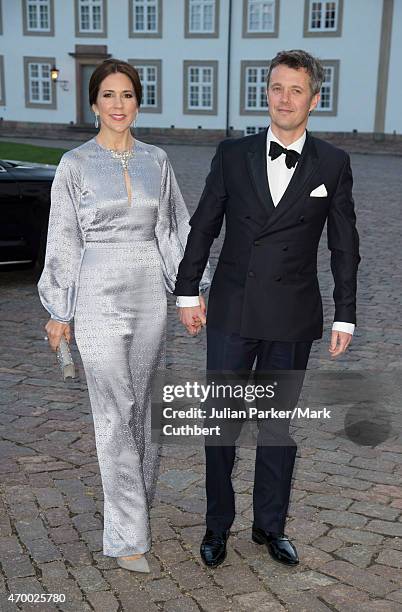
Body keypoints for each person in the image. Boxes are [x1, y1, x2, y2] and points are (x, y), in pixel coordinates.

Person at [174, 50, 360, 568]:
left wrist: (345, 312)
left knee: (277, 427)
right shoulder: (233, 154)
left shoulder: (333, 163)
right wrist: (188, 290)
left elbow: (344, 244)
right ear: (267, 93)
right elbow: (204, 224)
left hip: (292, 316)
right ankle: (217, 526)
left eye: (296, 90)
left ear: (314, 99)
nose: (284, 98)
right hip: (233, 310)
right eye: (276, 87)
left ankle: (269, 526)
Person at [38, 59, 209, 573]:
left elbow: (176, 230)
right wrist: (59, 310)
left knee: (141, 407)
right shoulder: (73, 164)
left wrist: (190, 293)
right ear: (94, 104)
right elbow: (63, 240)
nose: (118, 104)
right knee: (113, 410)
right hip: (95, 294)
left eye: (127, 95)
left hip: (148, 296)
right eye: (108, 95)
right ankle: (127, 532)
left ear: (138, 102)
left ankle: (135, 502)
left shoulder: (157, 160)